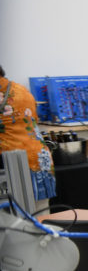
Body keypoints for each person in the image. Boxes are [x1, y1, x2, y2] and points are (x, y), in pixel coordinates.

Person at [0, 65, 57, 203]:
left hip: (15, 164)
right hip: (40, 159)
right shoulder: (21, 90)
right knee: (41, 216)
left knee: (19, 219)